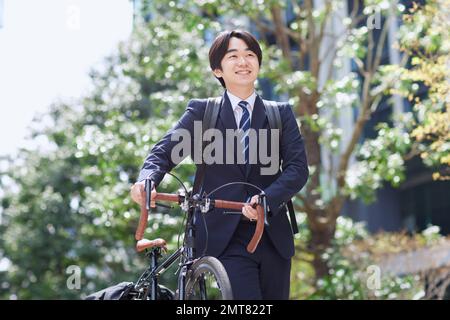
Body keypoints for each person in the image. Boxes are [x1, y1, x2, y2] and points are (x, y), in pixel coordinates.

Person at [131, 29, 308, 299]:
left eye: (250, 55)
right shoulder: (203, 112)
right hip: (222, 234)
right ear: (217, 70)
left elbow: (297, 169)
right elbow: (164, 153)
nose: (243, 62)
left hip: (272, 234)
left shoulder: (280, 114)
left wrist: (265, 199)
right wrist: (147, 180)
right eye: (233, 56)